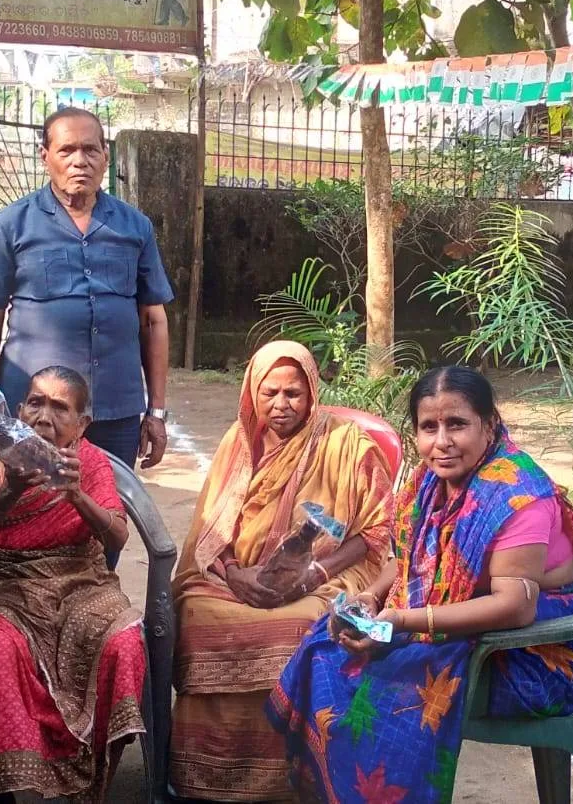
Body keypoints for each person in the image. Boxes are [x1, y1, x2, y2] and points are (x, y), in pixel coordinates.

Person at [268, 365, 573, 803]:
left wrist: (403, 621)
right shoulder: (432, 480)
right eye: (429, 427)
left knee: (377, 685)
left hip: (529, 655)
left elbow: (516, 606)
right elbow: (407, 561)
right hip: (464, 630)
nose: (441, 442)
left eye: (457, 424)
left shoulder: (519, 495)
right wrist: (370, 597)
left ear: (490, 425)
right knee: (323, 644)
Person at [171, 340, 394, 801]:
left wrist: (312, 573)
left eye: (293, 393)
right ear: (253, 393)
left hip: (328, 572)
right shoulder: (240, 441)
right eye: (269, 392)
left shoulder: (346, 444)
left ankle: (292, 782)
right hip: (238, 574)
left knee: (299, 624)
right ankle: (207, 777)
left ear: (312, 392)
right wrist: (235, 573)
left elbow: (374, 532)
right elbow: (213, 525)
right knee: (195, 614)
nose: (281, 405)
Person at [0, 365, 145, 803]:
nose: (44, 416)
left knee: (124, 641)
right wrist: (11, 488)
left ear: (82, 424)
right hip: (5, 587)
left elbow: (117, 536)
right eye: (36, 402)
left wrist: (75, 493)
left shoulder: (92, 462)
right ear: (20, 408)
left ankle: (96, 783)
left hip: (81, 582)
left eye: (60, 407)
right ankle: (8, 791)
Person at [0, 106, 174, 469]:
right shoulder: (10, 226)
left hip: (115, 410)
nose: (81, 161)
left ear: (106, 157)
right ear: (45, 156)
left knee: (107, 512)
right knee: (28, 513)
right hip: (36, 413)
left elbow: (153, 321)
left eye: (91, 150)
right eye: (67, 150)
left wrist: (155, 410)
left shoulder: (135, 227)